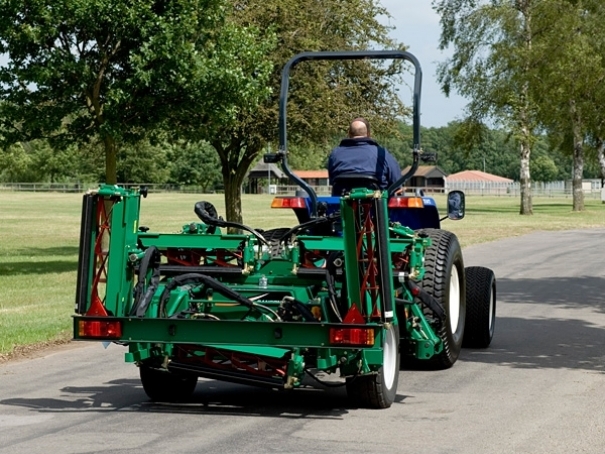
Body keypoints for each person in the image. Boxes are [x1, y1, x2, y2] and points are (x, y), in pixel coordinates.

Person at [327, 117, 401, 196]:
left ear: (349, 134)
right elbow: (397, 183)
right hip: (375, 206)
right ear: (368, 134)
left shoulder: (335, 154)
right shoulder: (382, 154)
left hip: (342, 205)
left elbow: (332, 180)